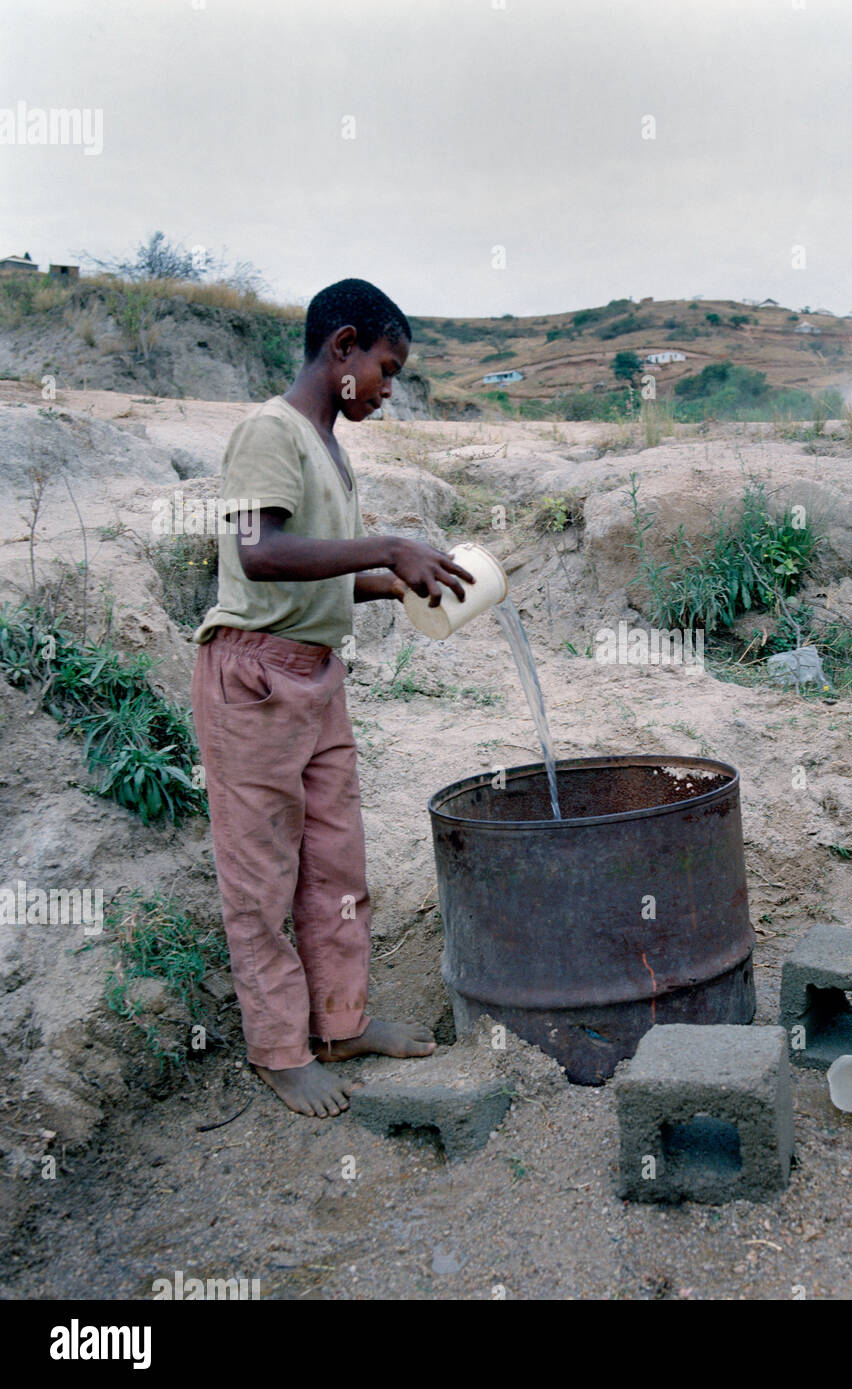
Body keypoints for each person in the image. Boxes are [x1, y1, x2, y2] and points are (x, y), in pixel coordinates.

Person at [191, 278, 473, 1117]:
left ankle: (341, 1021)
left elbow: (311, 579)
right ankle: (280, 1049)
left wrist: (388, 584)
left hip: (315, 673)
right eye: (387, 368)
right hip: (253, 678)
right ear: (342, 346)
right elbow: (261, 557)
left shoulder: (329, 446)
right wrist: (386, 542)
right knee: (262, 873)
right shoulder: (268, 431)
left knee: (337, 862)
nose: (389, 388)